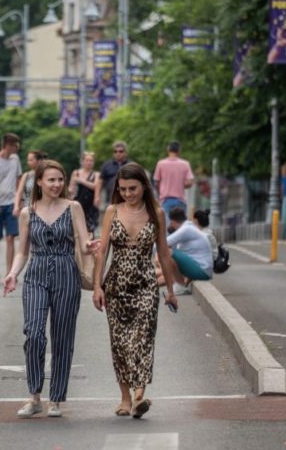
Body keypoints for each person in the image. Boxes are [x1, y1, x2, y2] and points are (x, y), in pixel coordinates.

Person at [3, 160, 99, 418]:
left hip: (67, 272)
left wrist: (92, 247)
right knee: (33, 333)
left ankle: (55, 398)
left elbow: (84, 242)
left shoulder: (73, 207)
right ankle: (34, 396)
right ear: (39, 183)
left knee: (62, 337)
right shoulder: (28, 212)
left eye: (60, 180)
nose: (56, 184)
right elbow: (23, 251)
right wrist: (13, 274)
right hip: (36, 273)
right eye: (51, 180)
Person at [91, 162, 177, 419]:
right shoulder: (112, 211)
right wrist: (97, 286)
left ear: (144, 186)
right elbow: (103, 250)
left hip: (145, 284)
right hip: (116, 284)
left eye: (133, 188)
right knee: (119, 343)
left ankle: (139, 395)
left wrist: (170, 290)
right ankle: (125, 398)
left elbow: (163, 252)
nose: (128, 193)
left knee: (142, 338)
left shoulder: (157, 213)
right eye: (123, 189)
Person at [0, 133, 22, 283]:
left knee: (10, 238)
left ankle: (10, 272)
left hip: (11, 203)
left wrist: (17, 201)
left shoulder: (15, 159)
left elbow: (19, 179)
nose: (17, 148)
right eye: (15, 145)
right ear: (8, 145)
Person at [157, 207, 214, 295]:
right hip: (200, 268)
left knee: (168, 252)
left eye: (171, 223)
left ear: (173, 222)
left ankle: (180, 286)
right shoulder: (189, 227)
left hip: (202, 270)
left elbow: (164, 243)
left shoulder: (186, 229)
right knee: (163, 267)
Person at [152, 141, 195, 216]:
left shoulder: (161, 164)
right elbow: (190, 182)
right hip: (180, 200)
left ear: (168, 150)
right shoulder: (185, 164)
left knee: (166, 225)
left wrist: (160, 191)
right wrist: (180, 184)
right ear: (179, 151)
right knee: (180, 226)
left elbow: (156, 183)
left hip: (165, 200)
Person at [69, 151, 99, 234]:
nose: (89, 162)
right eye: (87, 160)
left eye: (91, 160)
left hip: (90, 205)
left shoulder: (96, 174)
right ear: (82, 161)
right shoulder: (76, 173)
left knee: (90, 229)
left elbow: (95, 186)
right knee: (76, 229)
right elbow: (71, 188)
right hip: (77, 203)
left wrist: (80, 180)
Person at [94, 141, 130, 209]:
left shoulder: (131, 165)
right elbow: (100, 181)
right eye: (115, 151)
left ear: (125, 152)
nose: (118, 153)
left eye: (120, 151)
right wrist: (97, 196)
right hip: (110, 199)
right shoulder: (106, 165)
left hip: (128, 199)